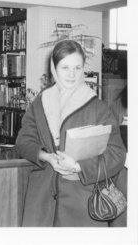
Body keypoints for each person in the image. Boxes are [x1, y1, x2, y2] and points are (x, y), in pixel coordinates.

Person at [15, 40, 126, 227]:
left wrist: (79, 166)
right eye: (65, 67)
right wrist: (46, 156)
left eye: (77, 67)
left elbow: (117, 154)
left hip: (82, 201)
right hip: (42, 199)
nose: (72, 74)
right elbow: (23, 140)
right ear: (54, 68)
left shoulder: (97, 107)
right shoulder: (40, 103)